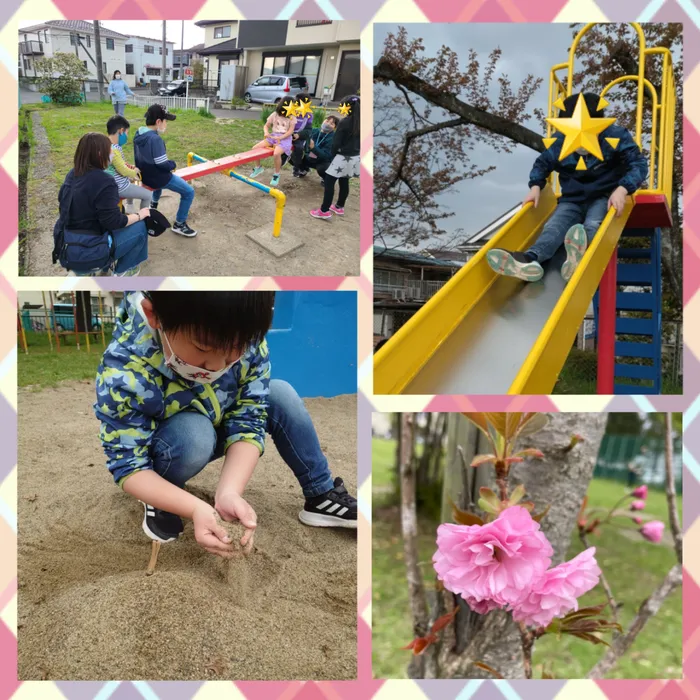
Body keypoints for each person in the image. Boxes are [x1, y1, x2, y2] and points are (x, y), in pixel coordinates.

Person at [94, 291, 358, 556]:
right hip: (174, 445)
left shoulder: (245, 336)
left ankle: (320, 494)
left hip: (217, 418)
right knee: (195, 434)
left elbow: (249, 417)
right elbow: (128, 465)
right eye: (203, 348)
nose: (218, 366)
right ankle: (164, 495)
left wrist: (229, 493)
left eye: (235, 351)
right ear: (154, 315)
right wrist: (196, 508)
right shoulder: (124, 371)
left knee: (280, 394)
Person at [486, 92, 649, 283]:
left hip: (604, 196)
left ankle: (578, 253)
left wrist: (622, 189)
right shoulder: (561, 140)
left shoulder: (614, 136)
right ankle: (530, 260)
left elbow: (638, 163)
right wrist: (536, 185)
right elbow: (542, 163)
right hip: (572, 198)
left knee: (593, 223)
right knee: (553, 227)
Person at [53, 132, 149, 276]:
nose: (112, 154)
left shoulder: (72, 174)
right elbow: (114, 222)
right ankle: (123, 272)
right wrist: (139, 215)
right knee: (141, 227)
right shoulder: (105, 181)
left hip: (66, 247)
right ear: (99, 154)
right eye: (110, 151)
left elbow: (64, 202)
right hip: (90, 252)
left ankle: (102, 267)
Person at [134, 104, 197, 237]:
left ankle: (154, 203)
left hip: (144, 176)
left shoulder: (138, 133)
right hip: (158, 178)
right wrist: (172, 164)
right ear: (158, 122)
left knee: (158, 178)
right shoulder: (155, 139)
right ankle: (179, 224)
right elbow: (162, 164)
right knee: (189, 192)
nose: (166, 124)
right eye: (165, 121)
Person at [310, 95, 360, 220]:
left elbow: (336, 143)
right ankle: (339, 206)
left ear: (347, 107)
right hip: (354, 157)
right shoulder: (362, 121)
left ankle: (324, 211)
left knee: (329, 182)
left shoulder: (345, 122)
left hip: (341, 157)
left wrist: (333, 155)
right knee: (344, 180)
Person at [105, 115, 152, 211]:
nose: (127, 136)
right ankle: (144, 219)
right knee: (148, 195)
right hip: (118, 187)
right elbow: (124, 172)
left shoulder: (106, 144)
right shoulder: (114, 150)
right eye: (127, 132)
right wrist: (135, 170)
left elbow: (118, 164)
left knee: (132, 181)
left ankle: (129, 206)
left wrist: (128, 166)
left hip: (111, 183)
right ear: (121, 131)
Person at [252, 97, 297, 187]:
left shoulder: (292, 117)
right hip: (273, 136)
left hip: (285, 138)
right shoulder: (275, 114)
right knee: (255, 148)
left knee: (276, 154)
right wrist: (266, 132)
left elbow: (290, 131)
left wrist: (281, 137)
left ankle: (276, 174)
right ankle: (258, 168)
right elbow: (266, 125)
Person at [300, 115, 339, 184]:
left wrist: (314, 148)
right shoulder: (314, 131)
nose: (328, 124)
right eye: (327, 121)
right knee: (295, 155)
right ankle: (304, 169)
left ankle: (325, 178)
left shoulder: (333, 138)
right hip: (310, 156)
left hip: (322, 161)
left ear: (335, 128)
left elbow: (326, 156)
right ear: (323, 121)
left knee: (324, 168)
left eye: (331, 124)